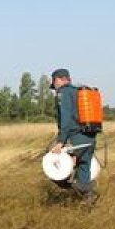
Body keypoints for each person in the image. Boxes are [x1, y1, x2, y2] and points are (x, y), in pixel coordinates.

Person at [49, 68, 99, 204]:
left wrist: (60, 142)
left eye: (54, 84)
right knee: (84, 169)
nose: (55, 88)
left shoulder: (63, 93)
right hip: (89, 137)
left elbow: (65, 119)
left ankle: (82, 191)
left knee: (54, 168)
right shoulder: (78, 92)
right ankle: (87, 201)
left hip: (75, 137)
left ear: (57, 80)